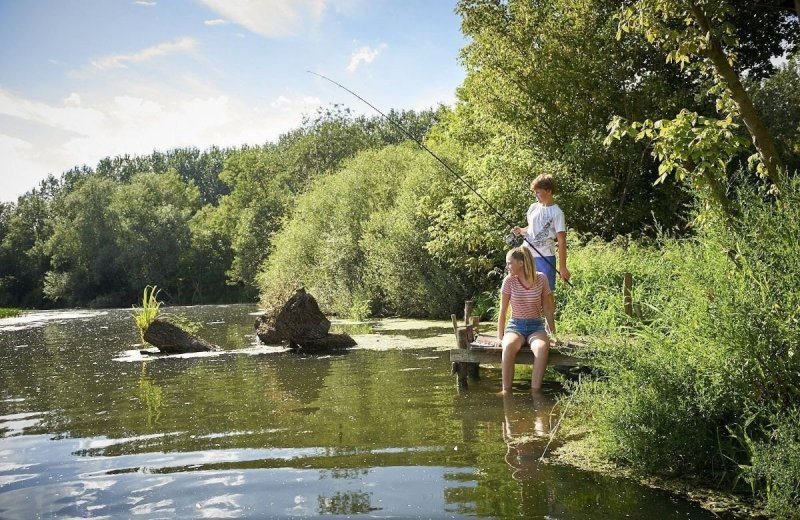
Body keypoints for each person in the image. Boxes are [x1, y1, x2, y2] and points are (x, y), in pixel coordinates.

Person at [497, 246, 555, 393]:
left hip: (536, 327)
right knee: (508, 346)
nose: (507, 266)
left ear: (521, 263)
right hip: (515, 326)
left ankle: (535, 391)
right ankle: (506, 391)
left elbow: (548, 309)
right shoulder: (509, 281)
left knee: (542, 347)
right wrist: (499, 337)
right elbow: (502, 311)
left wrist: (553, 335)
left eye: (510, 263)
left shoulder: (541, 278)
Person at [512, 174, 570, 291]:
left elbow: (562, 240)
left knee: (544, 292)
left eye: (538, 192)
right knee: (525, 290)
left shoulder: (557, 212)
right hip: (526, 255)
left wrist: (562, 267)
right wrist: (521, 230)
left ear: (548, 191)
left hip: (545, 257)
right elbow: (531, 228)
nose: (535, 195)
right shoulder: (533, 207)